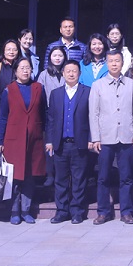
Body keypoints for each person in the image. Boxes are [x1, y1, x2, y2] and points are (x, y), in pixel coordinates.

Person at [0, 58, 46, 225]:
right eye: (22, 68)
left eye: (28, 68)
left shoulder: (38, 88)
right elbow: (3, 117)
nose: (25, 71)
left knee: (30, 177)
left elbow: (44, 113)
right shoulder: (8, 90)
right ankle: (14, 211)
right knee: (15, 177)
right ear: (15, 71)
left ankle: (26, 210)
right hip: (13, 140)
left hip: (33, 140)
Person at [89, 51, 133, 225]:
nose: (114, 64)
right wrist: (95, 137)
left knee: (126, 177)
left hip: (126, 136)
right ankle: (103, 212)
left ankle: (126, 212)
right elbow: (93, 113)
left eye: (117, 61)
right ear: (106, 64)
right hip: (105, 137)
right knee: (103, 177)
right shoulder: (98, 85)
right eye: (111, 61)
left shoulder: (132, 84)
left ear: (122, 63)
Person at [45, 60, 90, 224]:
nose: (71, 74)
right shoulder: (55, 94)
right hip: (60, 144)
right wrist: (49, 140)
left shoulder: (87, 92)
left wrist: (91, 139)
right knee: (60, 180)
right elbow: (50, 119)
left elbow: (93, 118)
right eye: (68, 71)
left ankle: (77, 211)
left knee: (79, 179)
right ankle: (62, 211)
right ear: (63, 73)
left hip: (80, 143)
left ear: (79, 73)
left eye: (74, 71)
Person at [36, 46, 68, 187]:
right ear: (50, 57)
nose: (57, 58)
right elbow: (39, 94)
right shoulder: (44, 74)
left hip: (66, 111)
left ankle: (64, 175)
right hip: (50, 112)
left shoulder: (68, 72)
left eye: (60, 55)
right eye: (55, 55)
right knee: (49, 144)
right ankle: (50, 174)